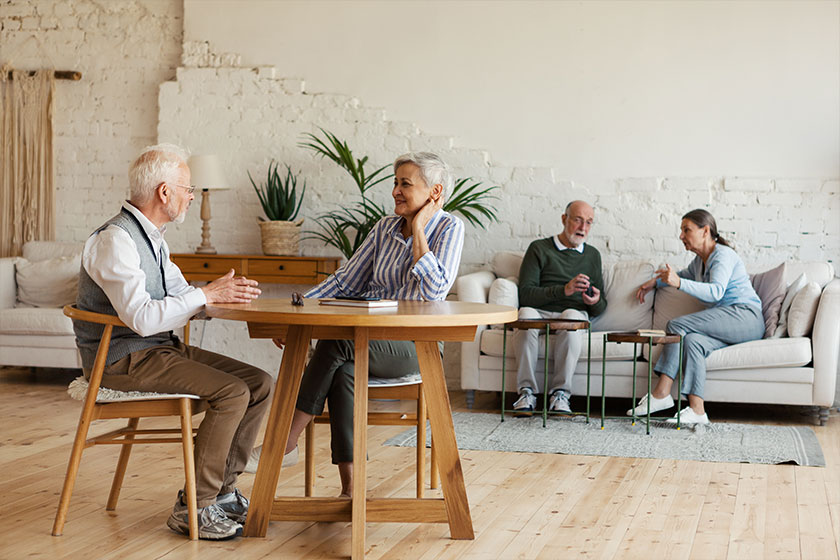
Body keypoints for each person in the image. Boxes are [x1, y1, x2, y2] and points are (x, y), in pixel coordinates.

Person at [73, 144, 273, 540]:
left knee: (259, 382)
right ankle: (194, 508)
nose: (191, 195)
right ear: (164, 192)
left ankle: (222, 493)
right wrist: (205, 295)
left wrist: (224, 298)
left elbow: (185, 298)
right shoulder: (116, 240)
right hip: (120, 360)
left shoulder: (155, 239)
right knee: (232, 393)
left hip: (158, 351)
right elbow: (145, 319)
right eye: (187, 188)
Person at [270, 152, 464, 498]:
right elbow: (345, 283)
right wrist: (296, 312)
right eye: (395, 183)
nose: (395, 191)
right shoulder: (383, 228)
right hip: (368, 340)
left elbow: (435, 289)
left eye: (405, 184)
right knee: (344, 371)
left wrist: (419, 229)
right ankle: (352, 489)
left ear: (434, 193)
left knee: (339, 340)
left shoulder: (450, 228)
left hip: (416, 346)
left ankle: (285, 439)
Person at [631, 209, 764, 424]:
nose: (681, 236)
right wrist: (654, 283)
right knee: (692, 342)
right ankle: (697, 411)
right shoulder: (699, 262)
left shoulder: (723, 255)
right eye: (681, 230)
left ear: (705, 231)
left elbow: (716, 291)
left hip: (745, 317)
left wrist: (679, 283)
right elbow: (680, 276)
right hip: (727, 321)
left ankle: (661, 393)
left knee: (676, 324)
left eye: (686, 230)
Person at [512, 200, 606, 415]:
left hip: (572, 312)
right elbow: (525, 294)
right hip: (540, 310)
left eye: (589, 222)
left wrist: (595, 301)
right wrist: (564, 289)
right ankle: (526, 393)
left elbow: (600, 308)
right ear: (564, 219)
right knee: (525, 314)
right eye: (578, 220)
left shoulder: (593, 255)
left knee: (572, 317)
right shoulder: (539, 248)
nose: (583, 228)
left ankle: (560, 395)